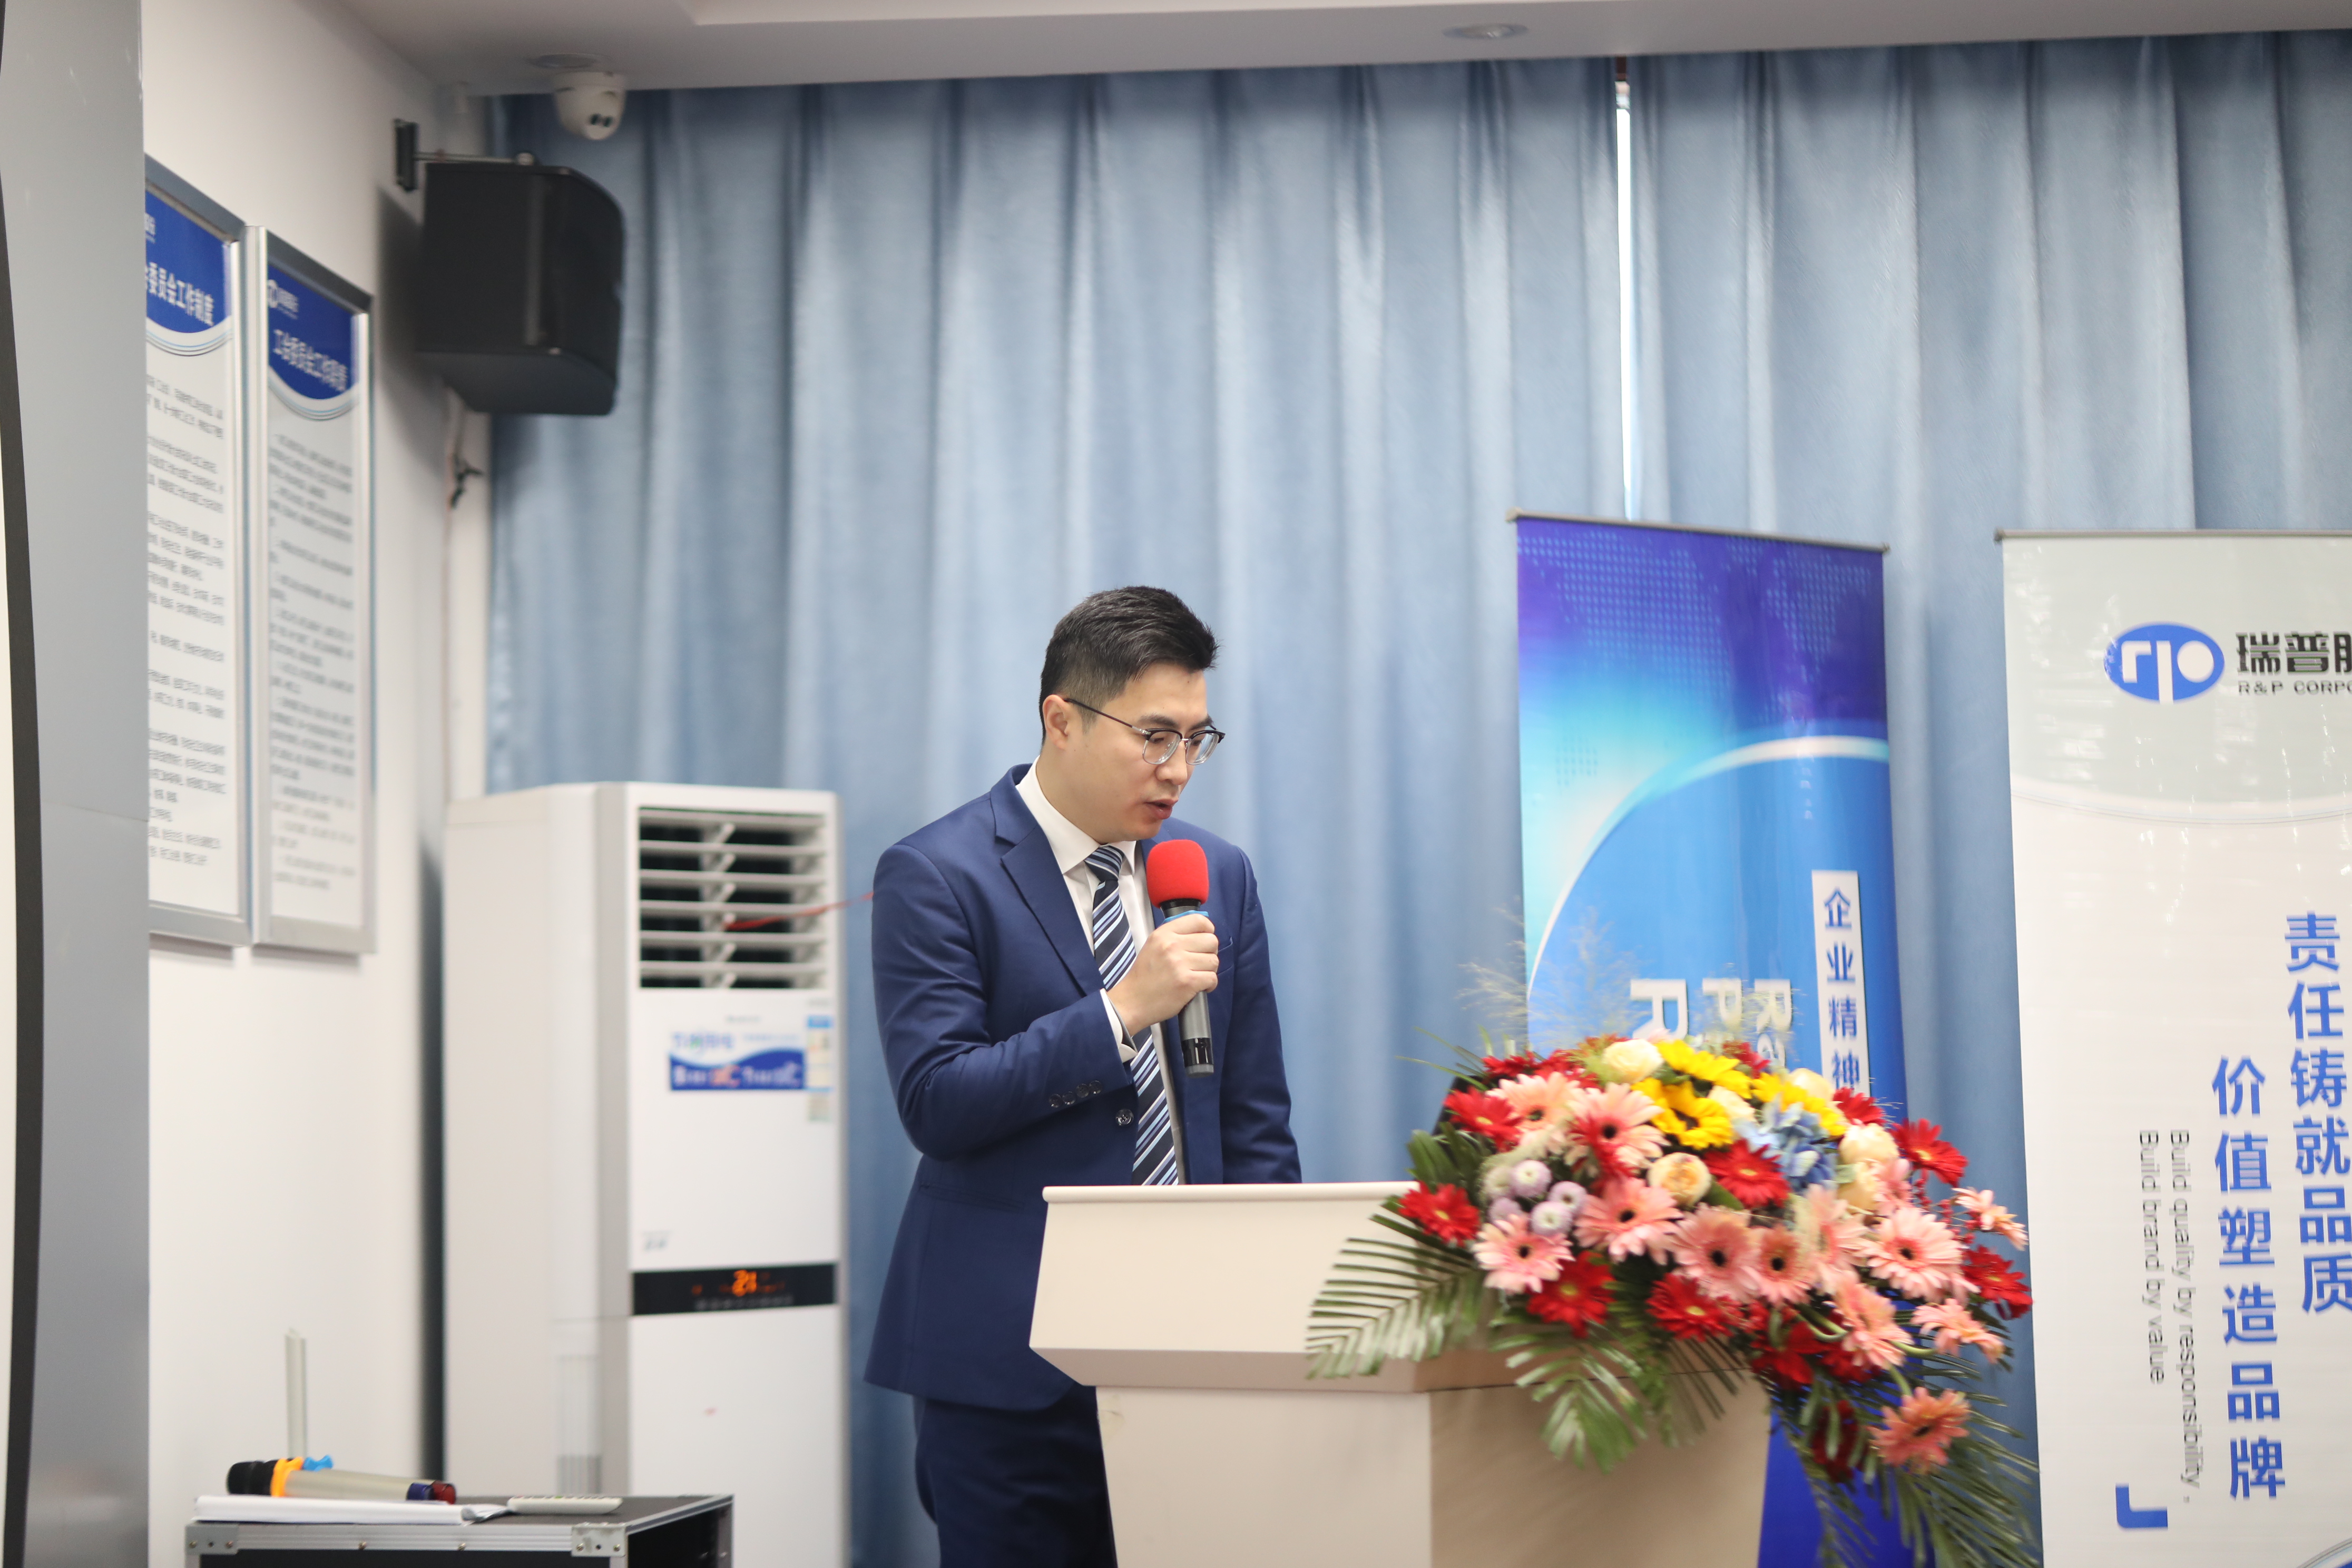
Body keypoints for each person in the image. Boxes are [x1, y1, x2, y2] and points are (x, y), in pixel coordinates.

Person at [865, 586, 1300, 1567]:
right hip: (1009, 1359)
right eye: (1154, 737)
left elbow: (1252, 1114)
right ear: (1062, 719)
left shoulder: (1214, 872)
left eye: (1197, 739)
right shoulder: (938, 872)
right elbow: (938, 1101)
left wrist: (1268, 1311)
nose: (1178, 768)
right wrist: (1119, 1012)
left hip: (1193, 1343)